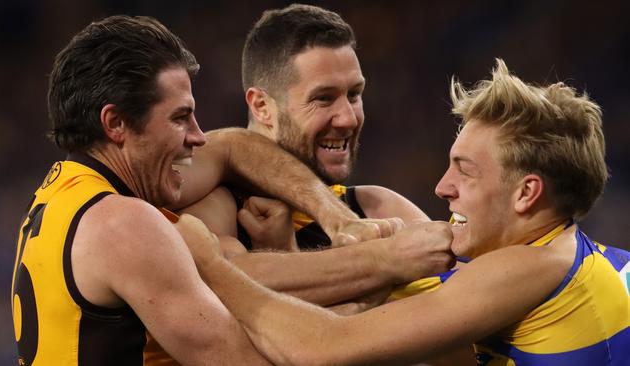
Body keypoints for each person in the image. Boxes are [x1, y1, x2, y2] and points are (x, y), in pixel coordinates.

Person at [9, 15, 414, 365]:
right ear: (115, 124)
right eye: (180, 118)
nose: (198, 137)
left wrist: (335, 219)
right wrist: (370, 292)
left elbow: (231, 147)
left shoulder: (63, 196)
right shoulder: (124, 224)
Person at [176, 59, 630, 365]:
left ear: (527, 193)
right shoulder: (555, 256)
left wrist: (211, 265)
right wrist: (285, 247)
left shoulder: (531, 267)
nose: (442, 187)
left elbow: (321, 348)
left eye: (464, 172)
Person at [174, 3, 444, 309]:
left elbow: (460, 315)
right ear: (262, 106)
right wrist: (381, 264)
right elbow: (220, 284)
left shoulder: (378, 208)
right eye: (323, 98)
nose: (348, 118)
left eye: (354, 95)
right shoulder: (216, 205)